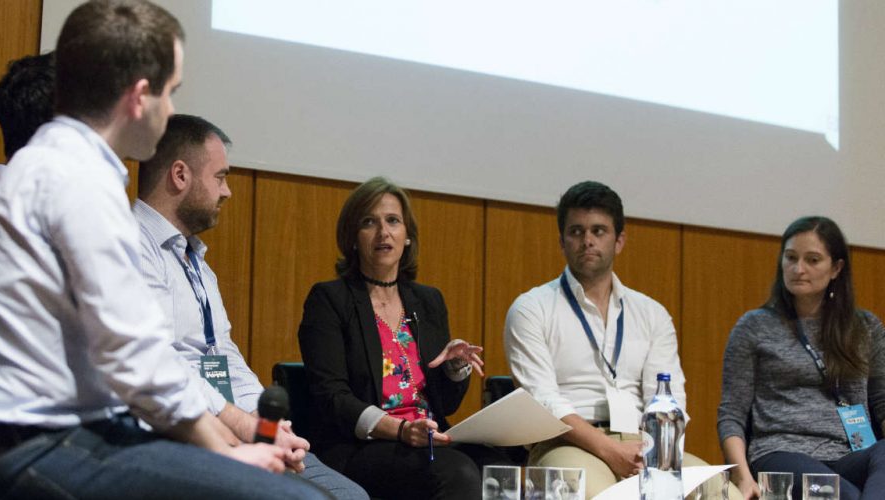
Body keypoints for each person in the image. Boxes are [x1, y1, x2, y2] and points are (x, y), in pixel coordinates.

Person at [0, 1, 327, 498]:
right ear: (138, 97)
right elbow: (134, 355)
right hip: (43, 446)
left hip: (57, 436)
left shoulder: (54, 167)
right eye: (169, 93)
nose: (170, 110)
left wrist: (228, 446)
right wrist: (227, 454)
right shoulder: (75, 181)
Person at [135, 113, 369, 499]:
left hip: (233, 428)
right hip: (181, 433)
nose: (227, 191)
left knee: (351, 496)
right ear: (180, 175)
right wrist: (244, 427)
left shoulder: (196, 262)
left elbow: (224, 356)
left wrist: (269, 427)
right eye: (220, 177)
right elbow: (158, 361)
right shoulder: (132, 245)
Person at [504, 180, 738, 499]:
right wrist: (610, 449)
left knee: (726, 494)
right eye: (576, 231)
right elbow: (543, 401)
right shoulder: (532, 308)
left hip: (645, 444)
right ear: (562, 242)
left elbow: (668, 395)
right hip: (567, 444)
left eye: (598, 231)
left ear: (619, 241)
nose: (587, 240)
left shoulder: (651, 313)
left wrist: (654, 452)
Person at [297, 177, 506, 499]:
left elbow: (446, 404)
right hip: (361, 446)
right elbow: (332, 397)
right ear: (353, 237)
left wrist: (453, 369)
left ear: (407, 235)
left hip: (428, 437)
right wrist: (402, 430)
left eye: (393, 221)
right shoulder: (330, 299)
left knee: (500, 466)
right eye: (369, 222)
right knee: (457, 472)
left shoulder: (428, 301)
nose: (383, 232)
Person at [718, 216, 885, 500]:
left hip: (851, 453)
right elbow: (731, 414)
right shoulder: (755, 327)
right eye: (791, 258)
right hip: (781, 453)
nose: (798, 269)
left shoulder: (865, 327)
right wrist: (742, 477)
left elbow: (882, 403)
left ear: (836, 268)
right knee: (842, 494)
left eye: (813, 260)